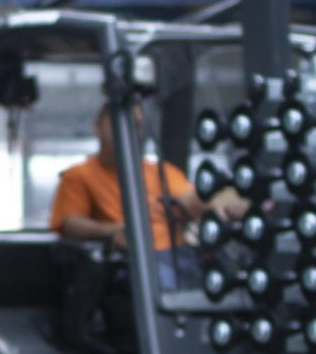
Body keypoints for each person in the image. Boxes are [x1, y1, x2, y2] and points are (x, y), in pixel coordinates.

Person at [51, 101, 230, 251]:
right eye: (118, 123)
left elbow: (188, 197)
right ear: (97, 125)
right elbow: (70, 223)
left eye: (135, 125)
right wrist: (113, 231)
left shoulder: (161, 172)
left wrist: (209, 203)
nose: (127, 132)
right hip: (127, 267)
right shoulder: (80, 175)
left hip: (173, 265)